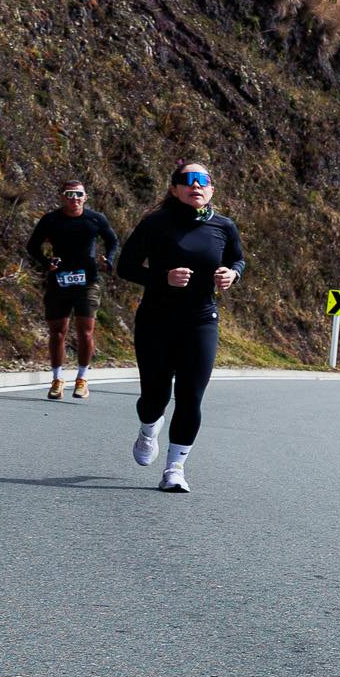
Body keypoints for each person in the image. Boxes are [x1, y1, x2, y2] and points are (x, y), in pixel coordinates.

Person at [113, 161, 243, 493]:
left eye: (203, 181)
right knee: (154, 397)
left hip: (201, 321)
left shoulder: (224, 226)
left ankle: (175, 468)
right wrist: (163, 278)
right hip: (156, 319)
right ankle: (148, 428)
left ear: (212, 189)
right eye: (188, 180)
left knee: (190, 397)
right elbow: (125, 267)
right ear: (174, 189)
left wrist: (232, 274)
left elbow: (237, 259)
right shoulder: (155, 224)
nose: (196, 185)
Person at [25, 179, 118, 400]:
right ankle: (57, 379)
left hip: (87, 282)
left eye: (78, 194)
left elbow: (113, 241)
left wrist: (109, 260)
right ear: (61, 196)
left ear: (85, 197)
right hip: (59, 280)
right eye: (69, 194)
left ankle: (82, 379)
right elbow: (32, 245)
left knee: (85, 332)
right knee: (57, 333)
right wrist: (46, 261)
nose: (74, 198)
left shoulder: (95, 219)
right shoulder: (51, 220)